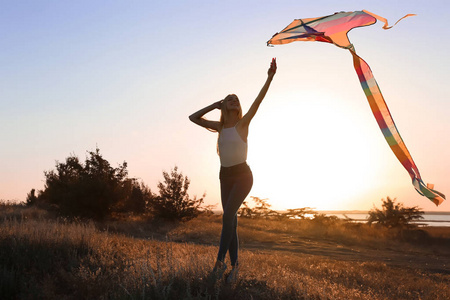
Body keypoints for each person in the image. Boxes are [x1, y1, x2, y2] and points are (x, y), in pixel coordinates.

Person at [189, 58, 277, 282]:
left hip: (243, 176)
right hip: (225, 176)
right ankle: (235, 267)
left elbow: (258, 101)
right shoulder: (219, 127)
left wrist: (269, 77)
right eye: (230, 99)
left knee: (228, 216)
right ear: (224, 105)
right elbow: (193, 118)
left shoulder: (242, 124)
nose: (234, 101)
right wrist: (214, 104)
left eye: (236, 99)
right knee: (232, 221)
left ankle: (219, 264)